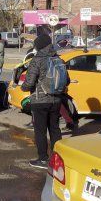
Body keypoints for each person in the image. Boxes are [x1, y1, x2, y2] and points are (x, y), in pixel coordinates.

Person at [21, 34, 63, 169]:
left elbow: (29, 82)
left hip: (40, 100)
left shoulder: (37, 60)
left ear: (39, 45)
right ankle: (58, 158)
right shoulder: (58, 58)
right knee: (55, 129)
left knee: (40, 131)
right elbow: (66, 80)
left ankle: (43, 159)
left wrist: (23, 87)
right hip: (56, 99)